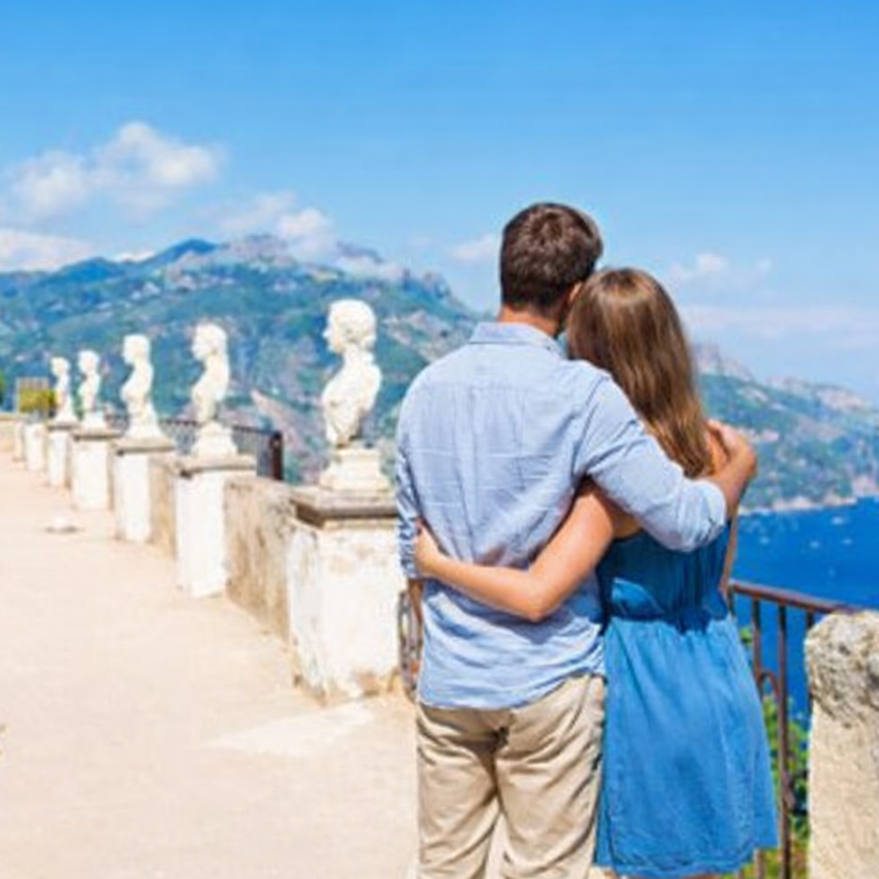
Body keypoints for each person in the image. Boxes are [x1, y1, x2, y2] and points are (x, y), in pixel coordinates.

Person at [395, 204, 758, 879]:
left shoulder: (423, 389)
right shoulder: (582, 395)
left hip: (450, 676)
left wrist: (434, 631)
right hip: (548, 679)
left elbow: (408, 551)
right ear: (571, 296)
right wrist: (739, 468)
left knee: (443, 867)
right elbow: (683, 522)